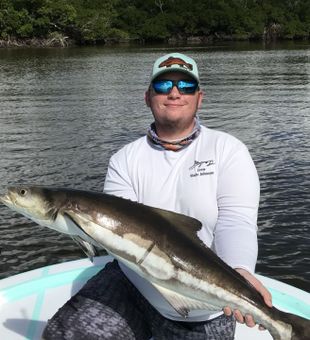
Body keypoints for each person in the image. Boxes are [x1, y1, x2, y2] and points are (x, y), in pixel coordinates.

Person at [43, 53, 272, 340]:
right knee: (64, 335)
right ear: (148, 97)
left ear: (200, 98)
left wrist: (239, 272)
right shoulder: (124, 159)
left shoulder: (228, 150)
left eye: (186, 87)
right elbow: (117, 232)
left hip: (206, 302)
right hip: (133, 284)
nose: (174, 93)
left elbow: (235, 221)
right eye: (163, 86)